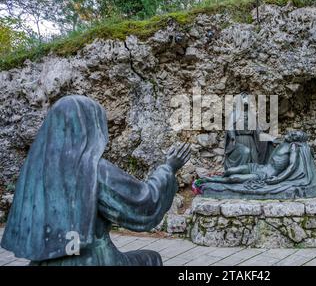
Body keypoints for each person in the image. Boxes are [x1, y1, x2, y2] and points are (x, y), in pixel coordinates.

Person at [0, 95, 190, 266]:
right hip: (92, 259)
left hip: (43, 262)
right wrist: (168, 168)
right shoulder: (94, 170)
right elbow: (143, 205)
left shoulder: (35, 172)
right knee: (151, 259)